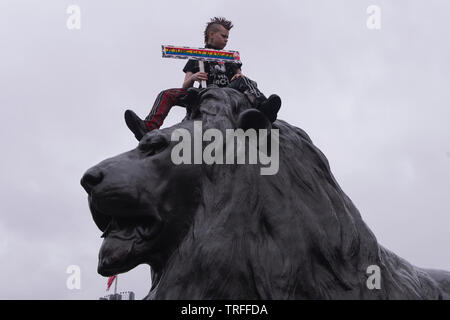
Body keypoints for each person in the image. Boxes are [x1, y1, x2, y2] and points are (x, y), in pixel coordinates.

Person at [125, 17, 281, 141]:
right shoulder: (195, 56)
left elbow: (239, 74)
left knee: (245, 80)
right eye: (223, 36)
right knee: (166, 94)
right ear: (212, 35)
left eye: (228, 37)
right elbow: (185, 85)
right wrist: (193, 76)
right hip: (202, 92)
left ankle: (265, 107)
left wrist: (238, 74)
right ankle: (148, 127)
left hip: (228, 90)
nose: (226, 39)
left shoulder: (231, 58)